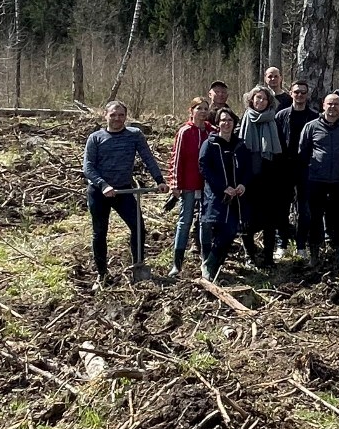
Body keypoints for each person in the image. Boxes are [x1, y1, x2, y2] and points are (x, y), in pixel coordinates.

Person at [82, 101, 169, 288]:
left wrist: (159, 180)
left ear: (126, 117)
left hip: (124, 190)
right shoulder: (95, 138)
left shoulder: (134, 135)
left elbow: (147, 157)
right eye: (113, 115)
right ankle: (102, 273)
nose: (117, 119)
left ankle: (138, 265)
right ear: (105, 115)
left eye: (121, 115)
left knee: (138, 227)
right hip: (99, 192)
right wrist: (103, 185)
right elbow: (88, 167)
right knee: (100, 233)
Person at [299, 93, 339, 267]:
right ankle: (314, 254)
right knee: (315, 218)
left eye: (336, 104)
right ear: (323, 105)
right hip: (316, 180)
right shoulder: (311, 127)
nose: (332, 108)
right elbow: (303, 152)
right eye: (329, 104)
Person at [199, 108, 252, 281]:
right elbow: (204, 167)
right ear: (217, 123)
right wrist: (223, 187)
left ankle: (212, 263)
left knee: (230, 230)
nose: (226, 123)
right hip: (217, 195)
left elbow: (247, 167)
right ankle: (208, 263)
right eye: (223, 120)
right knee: (218, 228)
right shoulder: (210, 144)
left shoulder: (240, 145)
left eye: (229, 120)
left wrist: (243, 184)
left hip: (237, 197)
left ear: (234, 123)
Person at [167, 97, 215, 277]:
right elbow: (176, 158)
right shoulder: (185, 132)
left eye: (205, 109)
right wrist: (175, 183)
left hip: (207, 186)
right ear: (192, 111)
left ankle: (206, 261)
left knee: (206, 223)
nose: (202, 112)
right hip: (188, 184)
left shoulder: (212, 131)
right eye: (199, 109)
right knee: (184, 222)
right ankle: (177, 264)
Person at [238, 85, 284, 266]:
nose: (260, 101)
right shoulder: (244, 120)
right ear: (251, 100)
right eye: (257, 98)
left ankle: (268, 257)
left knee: (270, 222)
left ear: (269, 102)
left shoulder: (274, 121)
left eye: (264, 99)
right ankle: (249, 255)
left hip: (269, 179)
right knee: (247, 221)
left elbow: (281, 151)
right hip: (248, 180)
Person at [276, 81, 318, 260]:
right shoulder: (281, 116)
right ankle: (282, 244)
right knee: (282, 207)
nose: (299, 95)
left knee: (305, 209)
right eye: (296, 92)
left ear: (307, 95)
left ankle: (301, 245)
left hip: (306, 168)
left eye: (303, 93)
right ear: (291, 94)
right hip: (285, 168)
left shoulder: (315, 117)